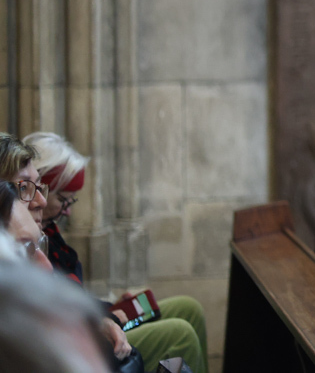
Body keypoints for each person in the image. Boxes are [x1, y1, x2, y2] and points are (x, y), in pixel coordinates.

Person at [24, 131, 209, 373]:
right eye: (63, 200)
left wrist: (109, 307)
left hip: (87, 322)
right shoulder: (23, 239)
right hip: (74, 343)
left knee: (188, 308)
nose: (67, 211)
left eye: (71, 201)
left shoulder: (48, 232)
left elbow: (69, 296)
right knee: (180, 333)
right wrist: (102, 318)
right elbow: (50, 312)